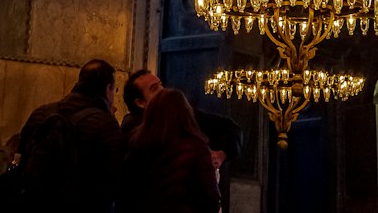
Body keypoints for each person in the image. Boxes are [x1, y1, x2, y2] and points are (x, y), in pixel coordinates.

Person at [15, 57, 123, 213]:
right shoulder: (106, 125)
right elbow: (112, 181)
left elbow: (21, 157)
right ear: (108, 89)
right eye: (115, 90)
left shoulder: (41, 113)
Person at [121, 68, 243, 201]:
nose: (163, 90)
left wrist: (221, 153)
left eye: (161, 84)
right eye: (154, 89)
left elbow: (231, 128)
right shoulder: (134, 136)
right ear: (140, 103)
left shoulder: (186, 118)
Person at [118, 87, 221, 213]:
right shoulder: (196, 149)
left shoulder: (136, 143)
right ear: (186, 113)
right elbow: (210, 199)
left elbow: (125, 192)